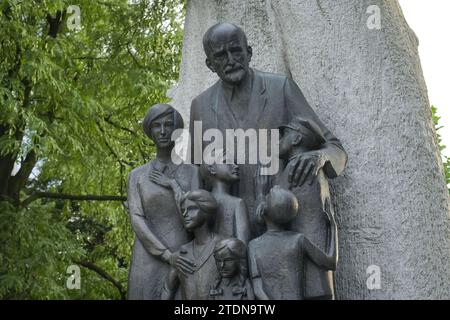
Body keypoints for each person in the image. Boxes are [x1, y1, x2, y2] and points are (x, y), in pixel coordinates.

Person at [189, 22, 347, 238]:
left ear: (249, 52)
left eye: (236, 51)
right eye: (220, 55)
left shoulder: (280, 88)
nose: (230, 61)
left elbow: (335, 148)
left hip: (282, 223)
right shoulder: (200, 106)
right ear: (210, 64)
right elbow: (197, 175)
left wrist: (319, 157)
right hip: (230, 233)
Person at [126, 104, 201, 300]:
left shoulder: (192, 172)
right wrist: (167, 256)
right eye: (156, 125)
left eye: (168, 125)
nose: (162, 131)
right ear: (150, 131)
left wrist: (174, 186)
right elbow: (137, 219)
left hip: (184, 255)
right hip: (147, 258)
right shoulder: (137, 176)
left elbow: (195, 215)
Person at [276, 116, 338, 299]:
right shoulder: (315, 167)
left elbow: (277, 209)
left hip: (305, 267)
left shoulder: (297, 166)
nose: (279, 141)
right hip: (319, 262)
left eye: (284, 135)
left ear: (296, 139)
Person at [248, 186, 337, 300]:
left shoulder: (253, 246)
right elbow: (331, 262)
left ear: (265, 210)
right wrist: (333, 227)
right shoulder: (298, 240)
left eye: (267, 197)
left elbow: (257, 288)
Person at [162, 190, 223, 300]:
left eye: (191, 209)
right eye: (183, 210)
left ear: (206, 210)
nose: (185, 214)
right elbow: (167, 290)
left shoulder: (223, 246)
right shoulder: (181, 255)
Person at [200, 149, 250, 244]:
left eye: (234, 162)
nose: (236, 166)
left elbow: (241, 245)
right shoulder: (237, 203)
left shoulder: (237, 203)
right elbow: (243, 245)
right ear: (212, 168)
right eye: (227, 161)